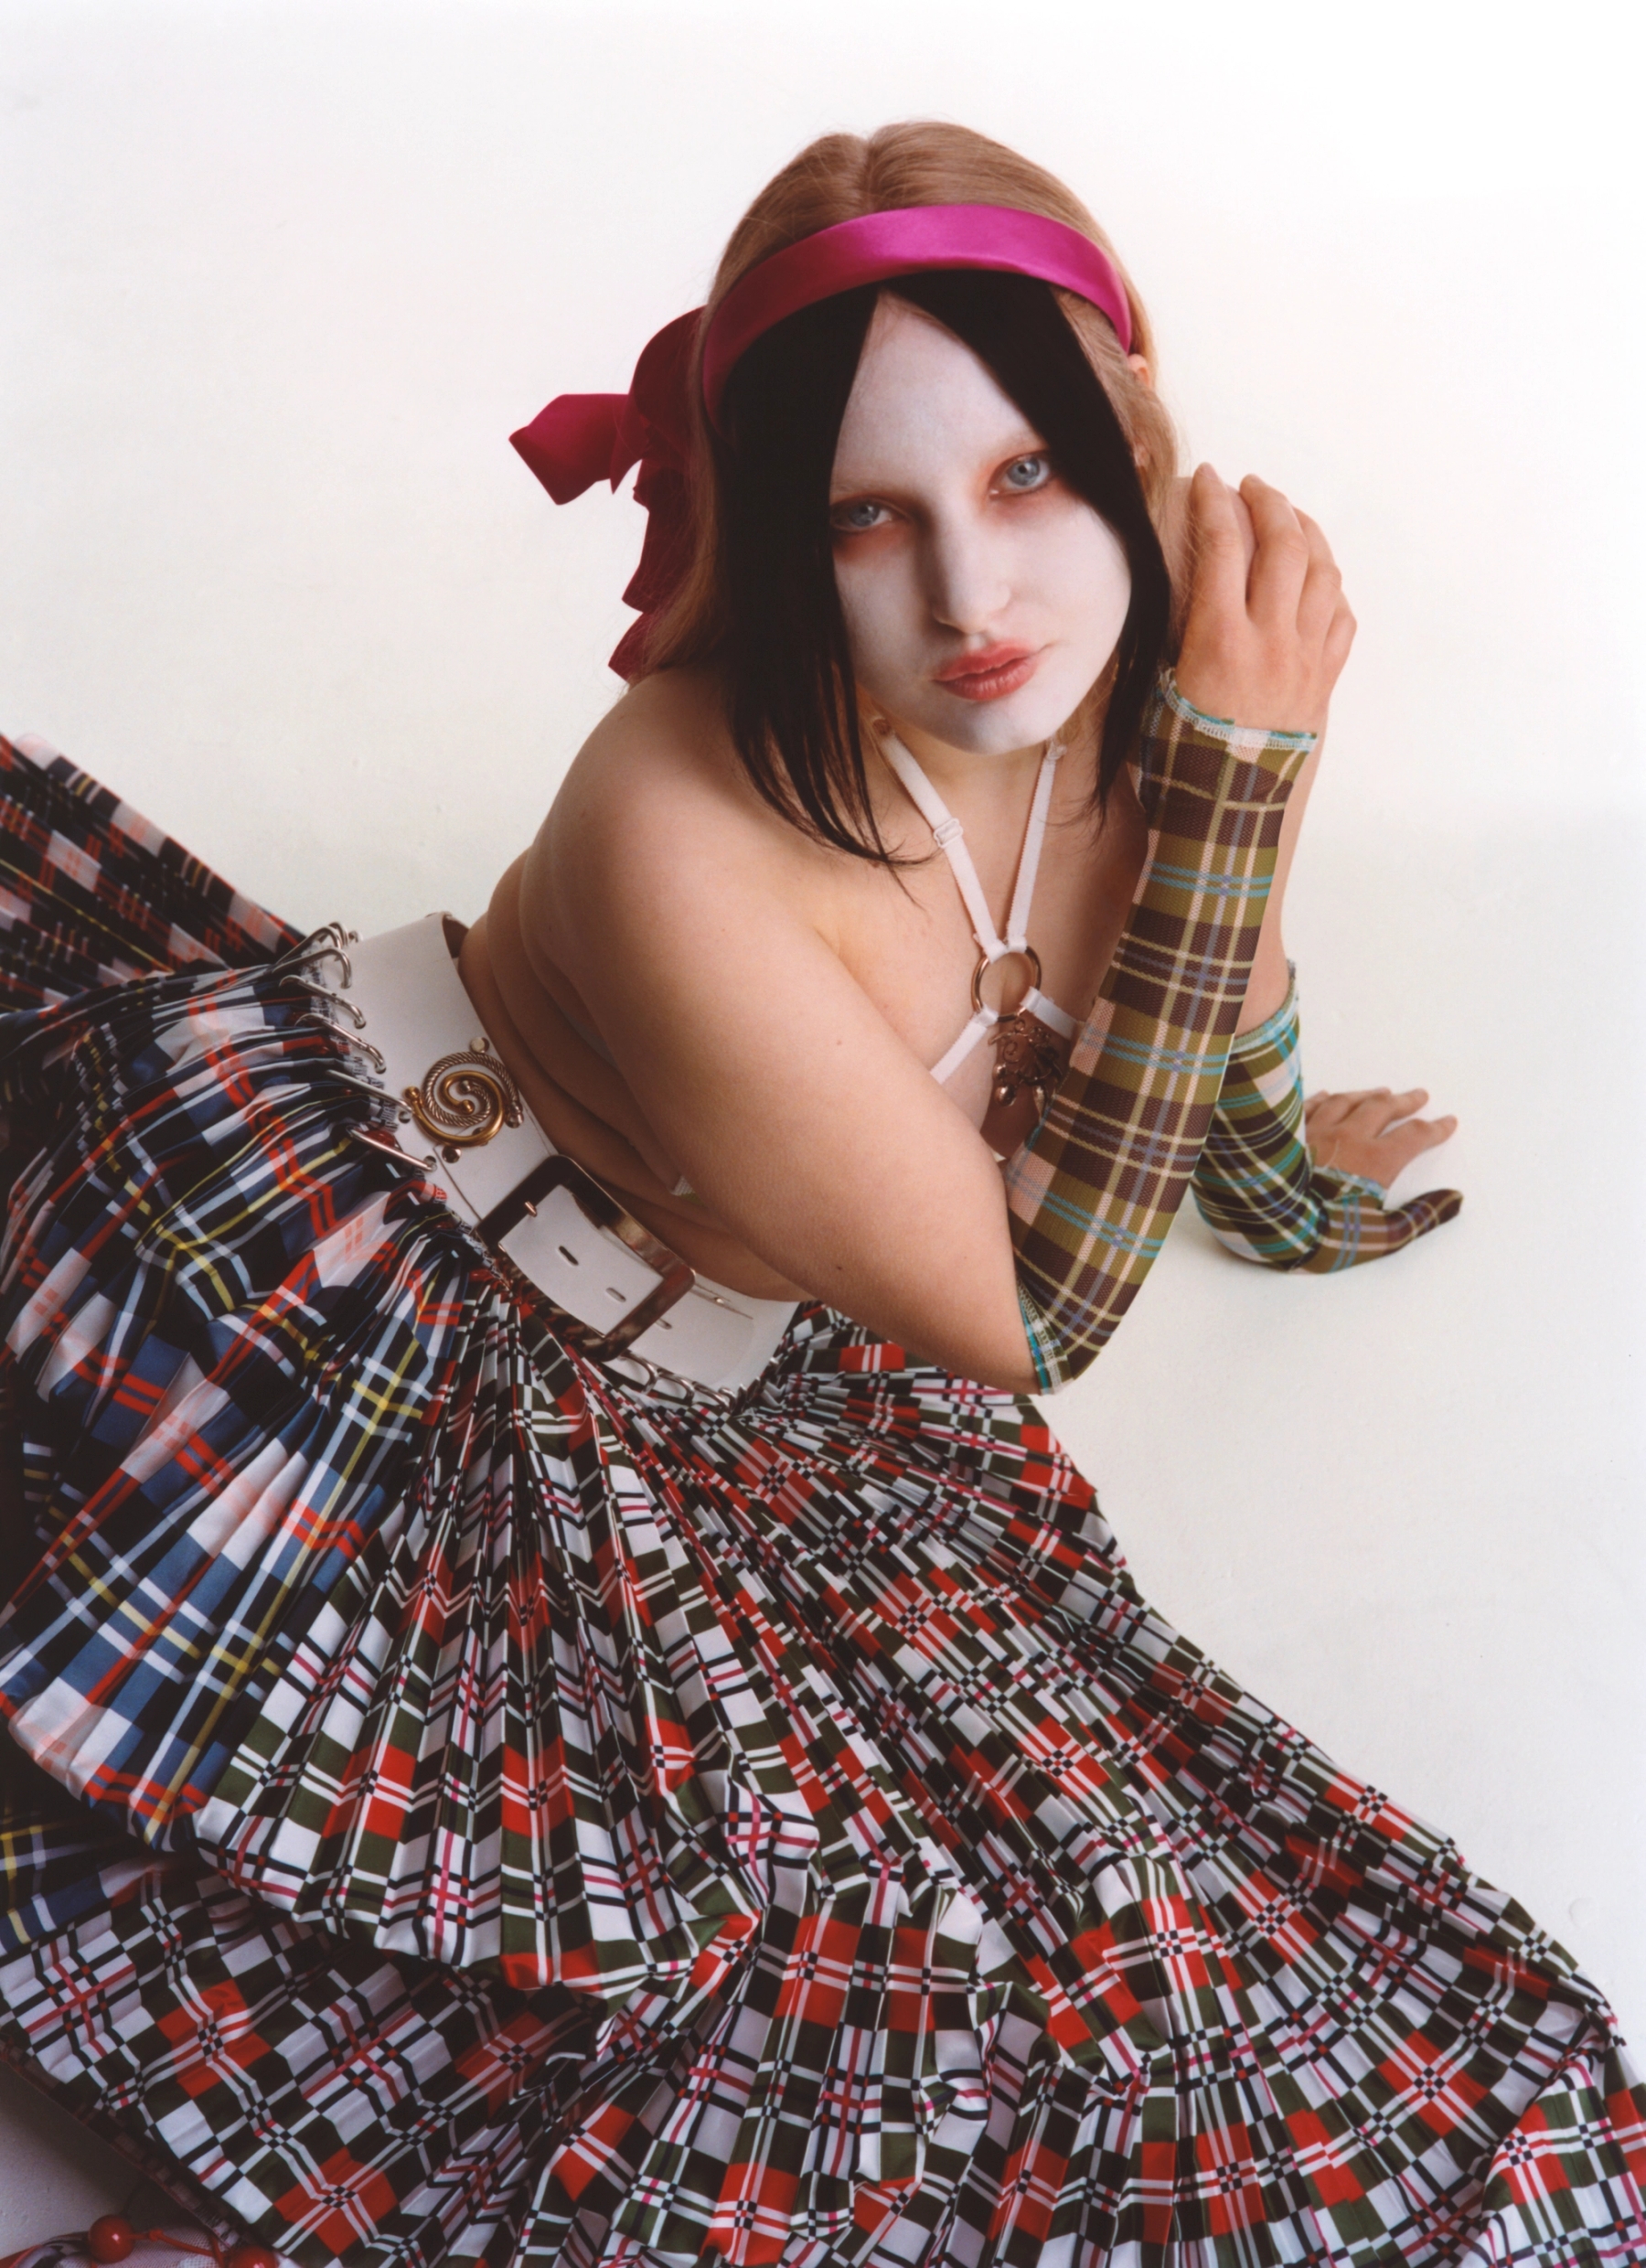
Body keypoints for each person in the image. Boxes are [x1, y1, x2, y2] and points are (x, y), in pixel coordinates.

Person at [0, 119, 1638, 2268]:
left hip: (710, 1377)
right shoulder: (676, 812)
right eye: (872, 515)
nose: (973, 600)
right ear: (787, 536)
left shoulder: (1127, 716)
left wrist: (1292, 1181)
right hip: (344, 1298)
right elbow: (1030, 1316)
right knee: (750, 1987)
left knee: (1189, 1976)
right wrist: (1252, 782)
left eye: (1028, 477)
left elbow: (1207, 1006)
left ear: (1139, 447)